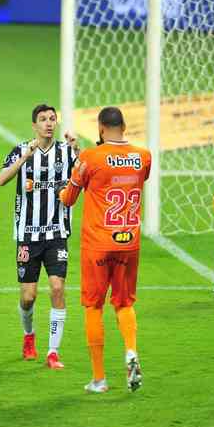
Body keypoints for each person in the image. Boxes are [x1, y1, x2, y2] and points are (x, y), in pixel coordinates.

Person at [58, 106, 151, 393]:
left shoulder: (89, 158)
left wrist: (73, 174)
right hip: (129, 243)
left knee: (93, 306)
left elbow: (69, 199)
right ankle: (131, 350)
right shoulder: (143, 156)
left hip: (98, 245)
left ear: (100, 128)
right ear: (123, 126)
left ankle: (99, 379)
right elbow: (117, 169)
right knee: (124, 303)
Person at [0, 103, 79, 369]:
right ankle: (28, 336)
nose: (48, 123)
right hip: (27, 236)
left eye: (52, 119)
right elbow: (1, 179)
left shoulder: (67, 153)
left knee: (57, 289)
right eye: (43, 119)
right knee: (28, 296)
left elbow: (88, 174)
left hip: (57, 234)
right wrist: (24, 158)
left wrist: (78, 150)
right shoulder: (21, 150)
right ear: (34, 125)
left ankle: (53, 352)